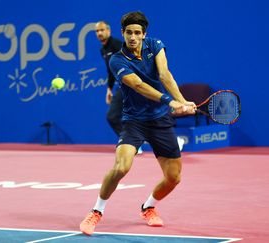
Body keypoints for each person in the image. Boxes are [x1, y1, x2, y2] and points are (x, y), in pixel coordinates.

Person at [80, 11, 196, 236]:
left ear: (144, 34)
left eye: (137, 33)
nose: (133, 37)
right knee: (121, 167)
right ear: (122, 33)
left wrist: (182, 101)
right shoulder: (117, 59)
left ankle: (148, 206)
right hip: (134, 121)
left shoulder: (155, 45)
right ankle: (96, 211)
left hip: (160, 120)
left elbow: (165, 75)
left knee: (174, 178)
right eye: (129, 33)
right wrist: (169, 100)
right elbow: (137, 85)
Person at [95, 21, 145, 153]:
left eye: (102, 30)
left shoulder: (118, 45)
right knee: (125, 117)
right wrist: (109, 89)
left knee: (114, 116)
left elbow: (133, 61)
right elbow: (110, 70)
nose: (99, 33)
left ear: (108, 31)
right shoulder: (103, 50)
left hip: (131, 85)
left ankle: (132, 143)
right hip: (122, 87)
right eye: (97, 31)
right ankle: (133, 143)